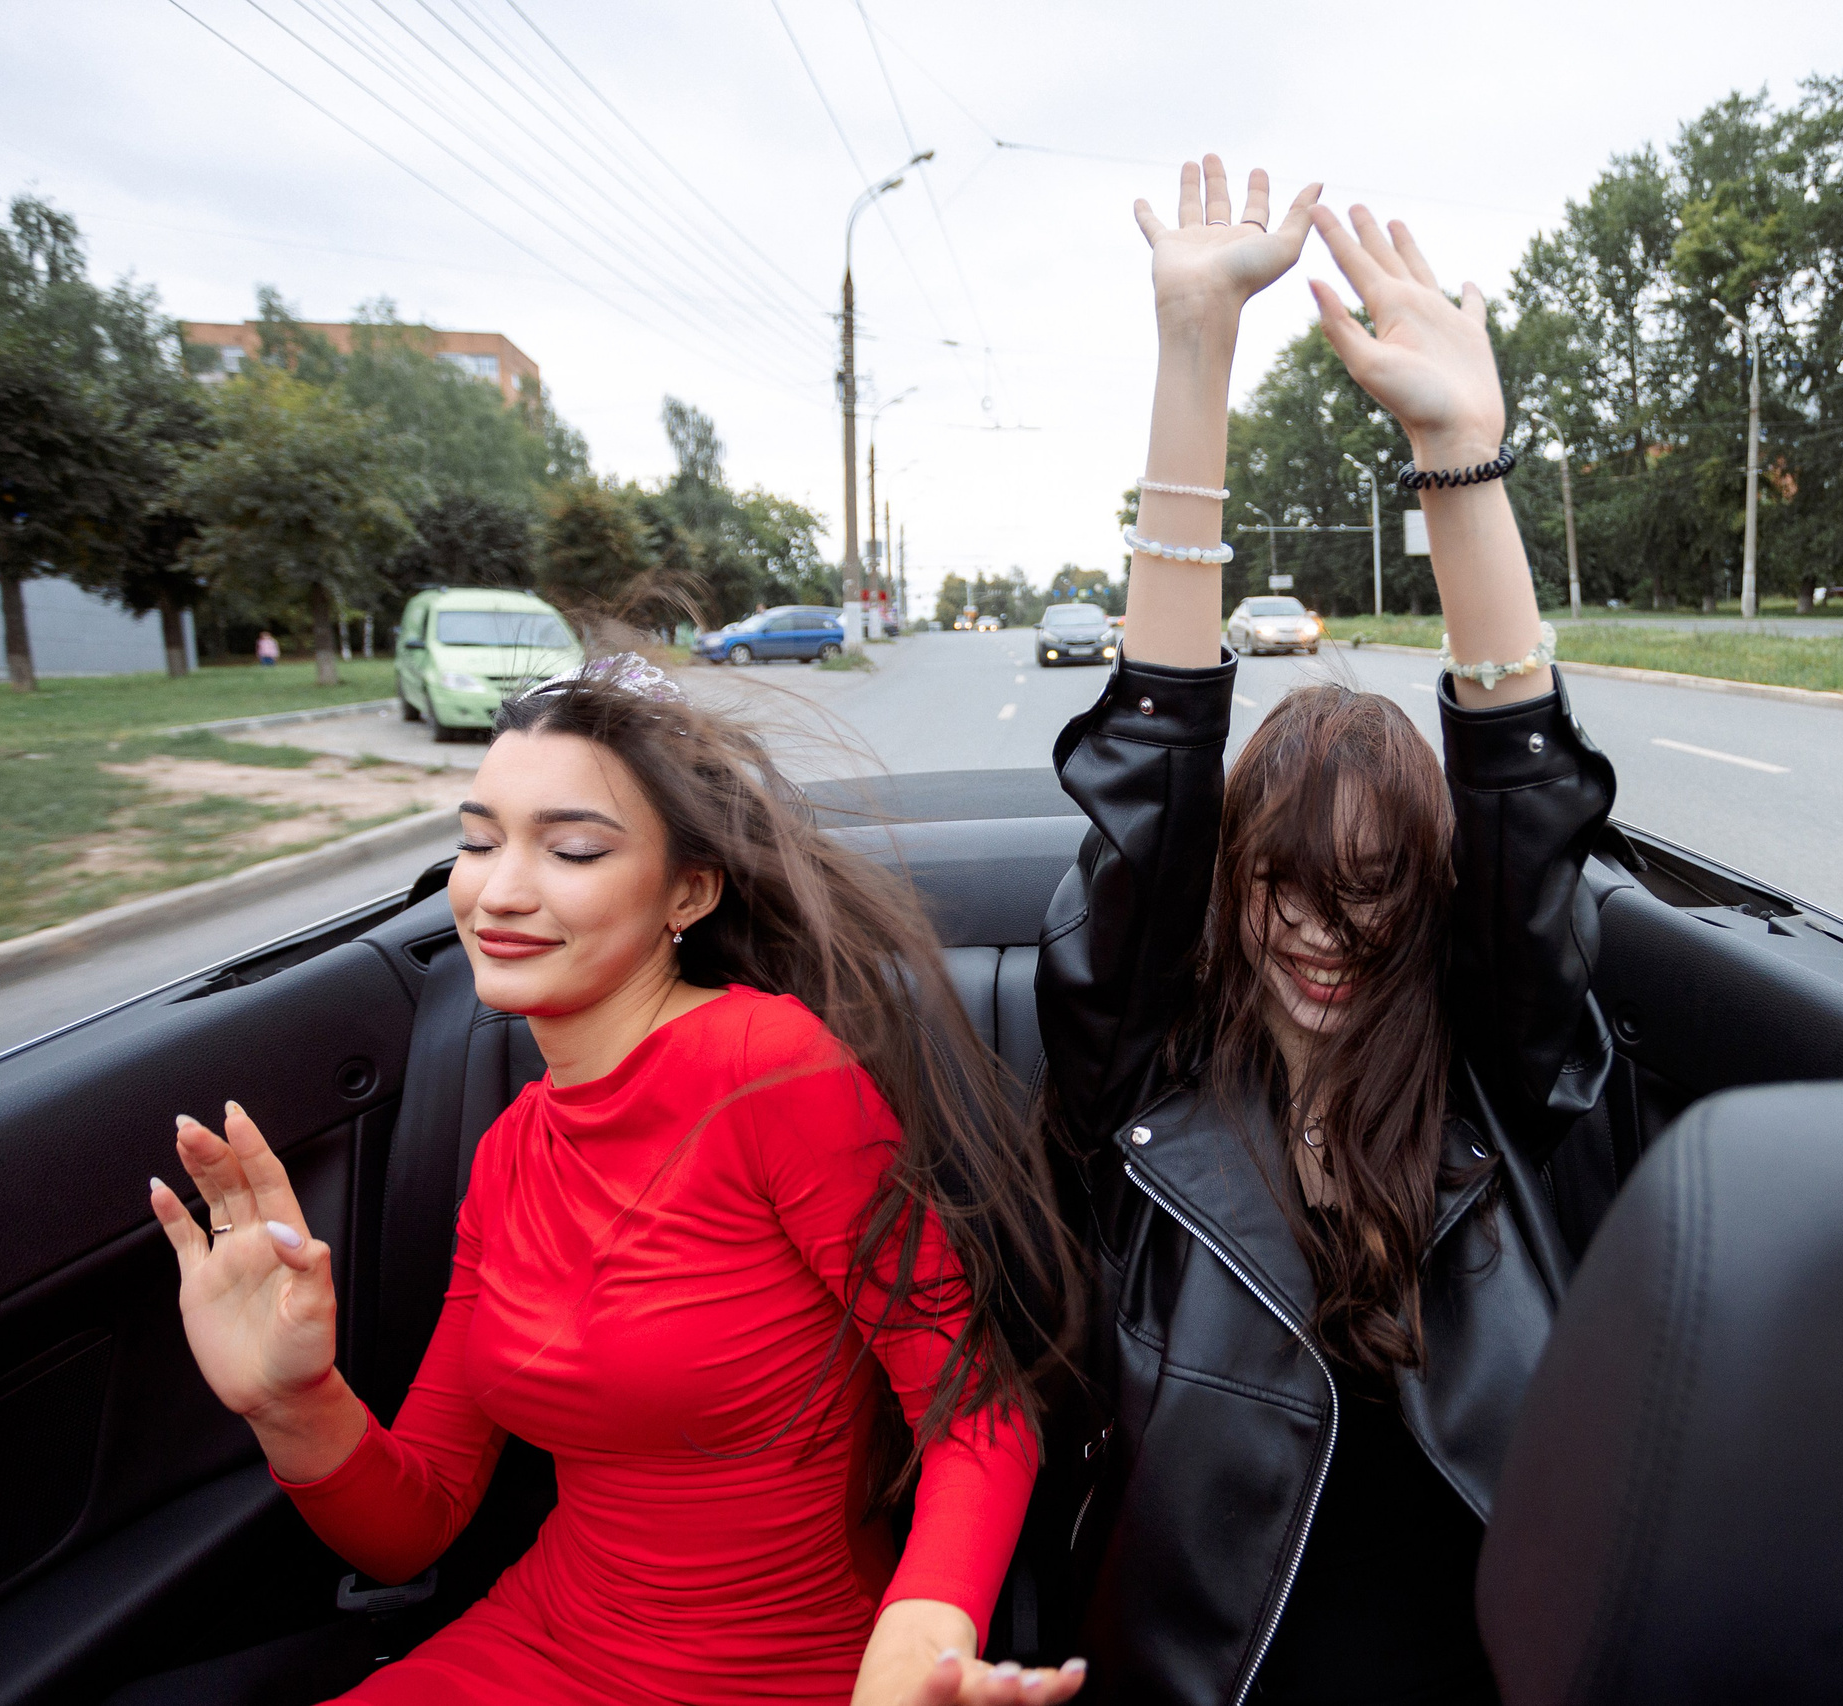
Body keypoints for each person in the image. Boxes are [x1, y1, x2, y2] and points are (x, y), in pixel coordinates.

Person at [149, 656, 1087, 1706]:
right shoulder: (512, 1149)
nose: (498, 890)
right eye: (477, 841)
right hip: (534, 1641)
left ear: (689, 889)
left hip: (781, 1676)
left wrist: (922, 1635)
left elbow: (974, 1408)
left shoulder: (770, 1068)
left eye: (573, 849)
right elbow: (415, 1525)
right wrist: (290, 1400)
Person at [1036, 159, 1616, 1706]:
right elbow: (1152, 777)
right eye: (1280, 880)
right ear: (1228, 884)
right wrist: (1195, 354)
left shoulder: (1492, 1080)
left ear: (1429, 899)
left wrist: (1461, 457)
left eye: (1372, 886)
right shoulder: (1146, 1082)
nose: (1321, 932)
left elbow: (1523, 805)